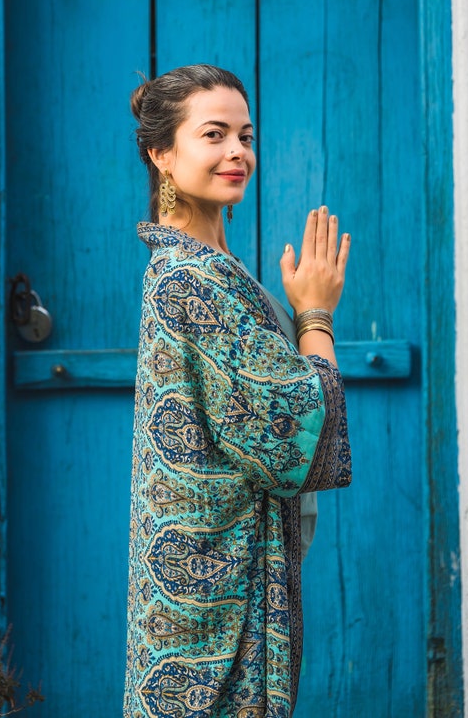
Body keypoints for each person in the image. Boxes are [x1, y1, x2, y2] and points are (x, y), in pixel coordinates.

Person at [124, 64, 352, 718]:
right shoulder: (193, 279)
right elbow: (293, 434)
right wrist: (315, 314)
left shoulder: (197, 268)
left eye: (245, 135)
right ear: (161, 153)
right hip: (213, 615)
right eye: (214, 134)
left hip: (198, 596)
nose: (237, 152)